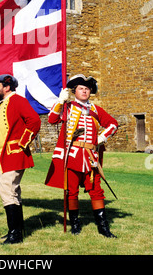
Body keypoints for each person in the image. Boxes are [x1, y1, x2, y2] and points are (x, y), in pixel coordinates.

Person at [45, 74, 118, 238]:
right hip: (72, 156)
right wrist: (59, 101)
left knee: (96, 191)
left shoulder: (95, 110)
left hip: (91, 157)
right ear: (74, 91)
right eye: (81, 88)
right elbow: (52, 119)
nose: (84, 91)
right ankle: (75, 225)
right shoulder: (68, 107)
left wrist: (102, 137)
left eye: (87, 89)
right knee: (71, 191)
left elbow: (113, 124)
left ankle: (103, 227)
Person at [0, 74, 41, 244]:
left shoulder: (17, 100)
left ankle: (15, 234)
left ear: (7, 87)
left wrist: (21, 144)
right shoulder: (3, 104)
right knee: (13, 193)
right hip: (4, 156)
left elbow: (34, 121)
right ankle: (17, 231)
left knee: (8, 193)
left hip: (12, 155)